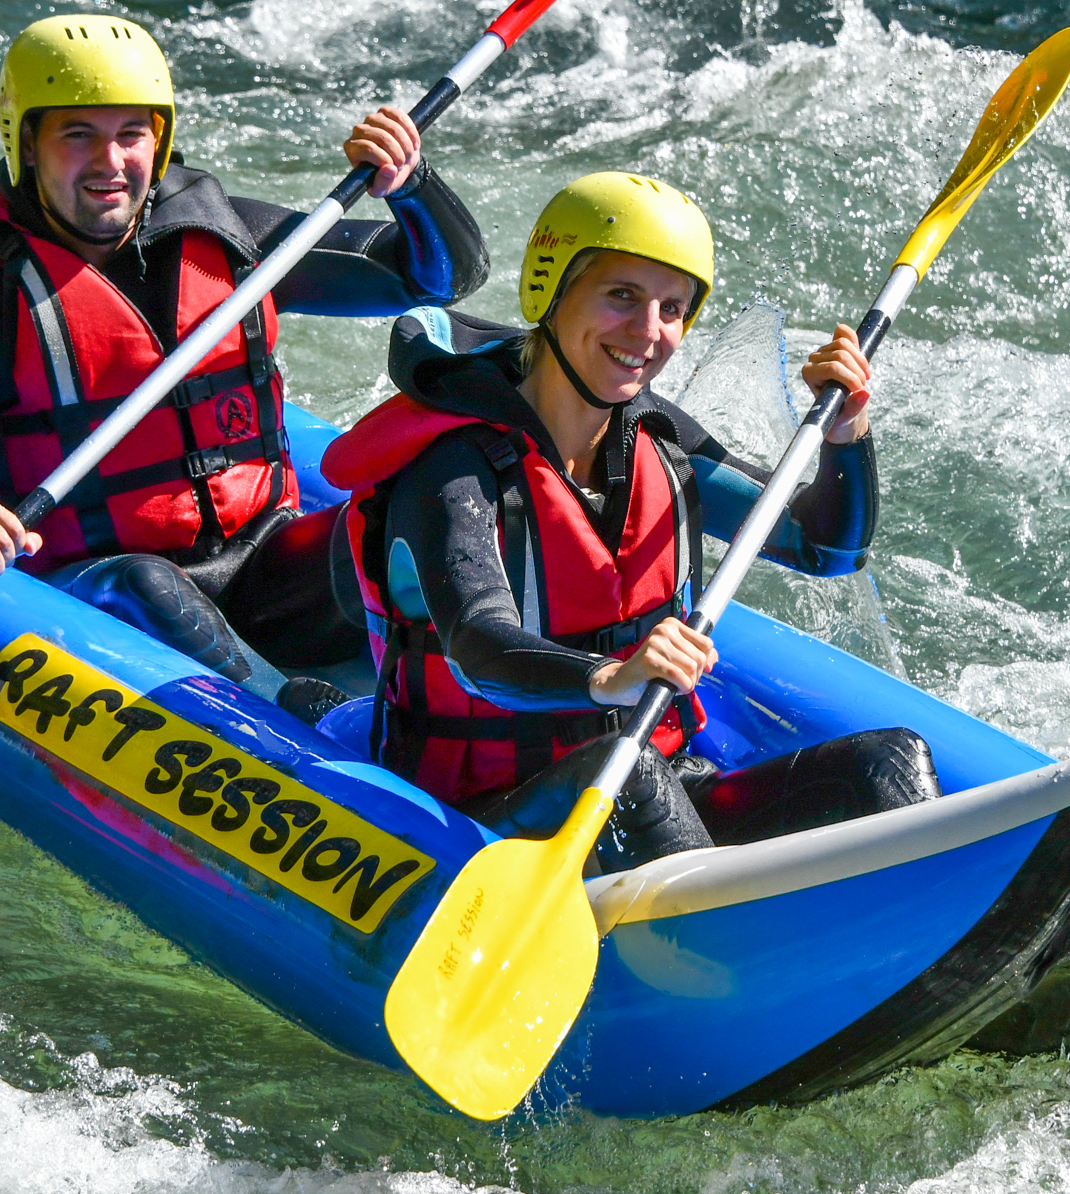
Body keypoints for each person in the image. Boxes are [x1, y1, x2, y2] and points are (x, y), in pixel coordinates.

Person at [323, 171, 939, 870]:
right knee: (625, 773)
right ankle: (721, 955)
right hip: (481, 813)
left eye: (673, 309)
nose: (649, 333)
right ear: (550, 293)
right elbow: (479, 645)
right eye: (622, 296)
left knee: (889, 761)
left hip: (645, 781)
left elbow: (824, 547)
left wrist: (845, 437)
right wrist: (610, 676)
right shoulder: (451, 469)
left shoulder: (659, 440)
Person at [0, 13, 489, 699]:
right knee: (146, 583)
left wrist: (412, 184)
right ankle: (296, 721)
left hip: (265, 562)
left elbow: (437, 276)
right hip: (102, 590)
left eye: (131, 134)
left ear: (158, 142)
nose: (110, 163)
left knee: (414, 507)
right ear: (27, 145)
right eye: (78, 135)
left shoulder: (228, 237)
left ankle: (483, 697)